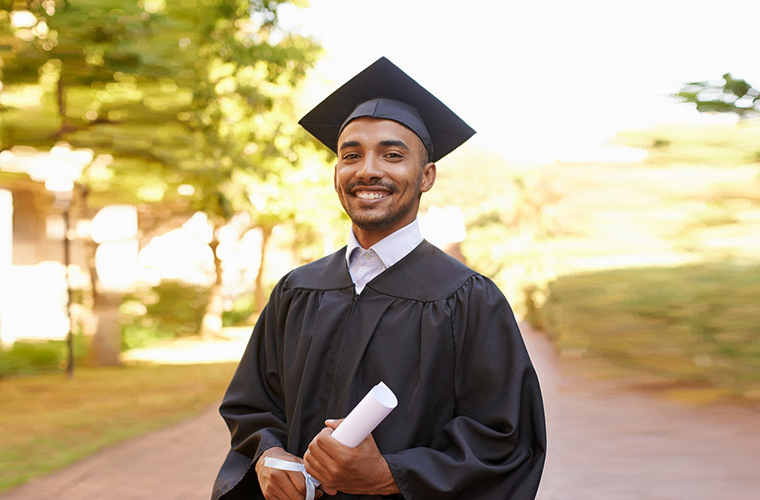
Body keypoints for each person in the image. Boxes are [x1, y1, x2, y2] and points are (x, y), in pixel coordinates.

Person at [212, 57, 547, 500]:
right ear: (337, 174)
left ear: (426, 176)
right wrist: (269, 457)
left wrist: (393, 474)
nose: (368, 170)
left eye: (392, 155)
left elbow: (505, 440)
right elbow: (253, 407)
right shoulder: (297, 291)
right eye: (351, 155)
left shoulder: (467, 299)